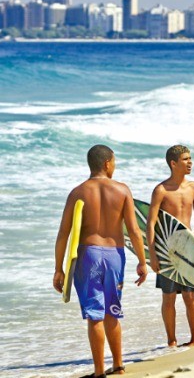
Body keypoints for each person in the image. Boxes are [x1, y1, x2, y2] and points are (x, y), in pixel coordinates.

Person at [53, 144, 148, 378]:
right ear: (107, 163)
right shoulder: (123, 190)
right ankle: (118, 365)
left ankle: (98, 372)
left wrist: (59, 269)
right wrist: (143, 262)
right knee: (112, 311)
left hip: (88, 256)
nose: (115, 166)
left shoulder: (78, 192)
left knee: (95, 314)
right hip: (115, 255)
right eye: (114, 161)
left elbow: (64, 233)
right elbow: (135, 231)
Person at [146, 145, 194, 348]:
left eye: (190, 159)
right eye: (186, 159)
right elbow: (150, 223)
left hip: (189, 249)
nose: (190, 162)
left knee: (190, 295)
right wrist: (152, 254)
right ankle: (171, 340)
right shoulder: (161, 190)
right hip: (167, 250)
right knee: (168, 297)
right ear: (173, 163)